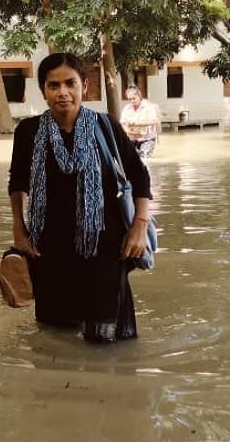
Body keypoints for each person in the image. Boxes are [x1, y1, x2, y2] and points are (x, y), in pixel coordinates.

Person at [8, 53, 152, 343]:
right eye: (53, 85)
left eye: (70, 83)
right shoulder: (29, 131)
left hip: (104, 248)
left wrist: (139, 226)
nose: (62, 93)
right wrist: (18, 228)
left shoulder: (106, 126)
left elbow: (140, 178)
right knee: (56, 338)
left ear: (84, 86)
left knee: (104, 339)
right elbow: (17, 183)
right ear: (44, 91)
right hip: (49, 250)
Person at [119, 85, 160, 157]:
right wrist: (130, 132)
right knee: (129, 157)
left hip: (147, 139)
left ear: (139, 96)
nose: (132, 101)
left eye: (134, 98)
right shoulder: (127, 108)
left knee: (145, 159)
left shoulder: (149, 107)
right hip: (132, 139)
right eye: (130, 99)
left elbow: (155, 121)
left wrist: (136, 123)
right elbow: (122, 123)